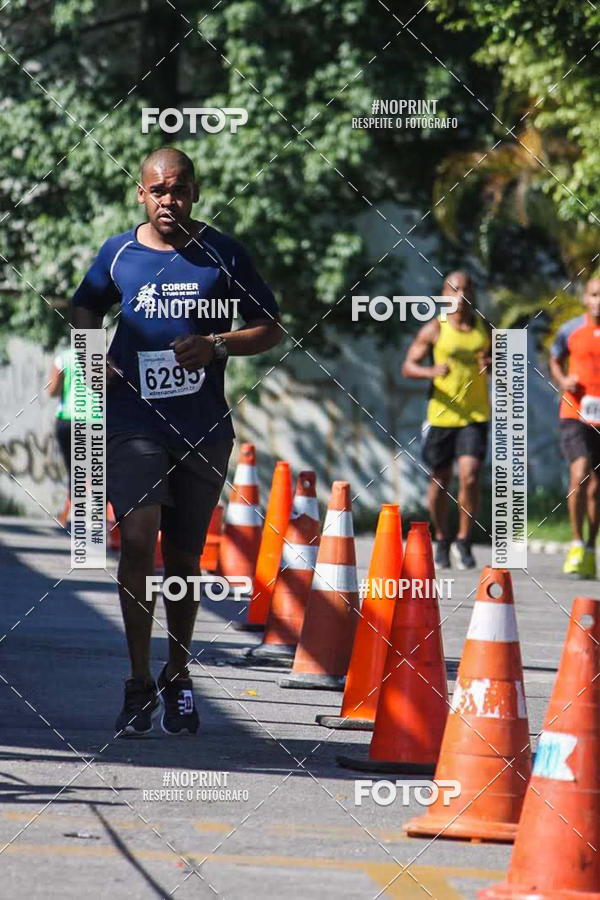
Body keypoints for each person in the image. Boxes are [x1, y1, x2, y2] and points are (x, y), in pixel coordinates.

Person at [72, 147, 282, 737]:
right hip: (133, 423)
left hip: (201, 427)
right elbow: (84, 307)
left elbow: (270, 326)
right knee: (139, 542)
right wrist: (94, 362)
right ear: (142, 195)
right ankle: (137, 682)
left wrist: (216, 345)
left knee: (185, 560)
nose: (170, 200)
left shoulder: (223, 254)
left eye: (180, 189)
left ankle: (177, 673)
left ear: (196, 192)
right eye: (158, 190)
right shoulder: (119, 253)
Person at [402, 271, 491, 569]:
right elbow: (408, 366)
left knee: (470, 475)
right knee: (440, 481)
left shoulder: (484, 329)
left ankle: (464, 541)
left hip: (475, 414)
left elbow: (502, 366)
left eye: (466, 290)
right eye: (454, 290)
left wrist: (493, 364)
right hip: (441, 415)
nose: (460, 296)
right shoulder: (435, 329)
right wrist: (431, 372)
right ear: (443, 295)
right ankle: (441, 538)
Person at [549, 277, 600, 578]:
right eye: (594, 295)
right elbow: (555, 358)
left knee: (597, 487)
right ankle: (577, 542)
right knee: (579, 471)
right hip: (575, 412)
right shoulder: (570, 330)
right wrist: (562, 380)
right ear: (585, 298)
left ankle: (592, 547)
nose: (599, 301)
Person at [47, 345, 73, 524]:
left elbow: (52, 391)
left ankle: (67, 515)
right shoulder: (103, 356)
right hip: (96, 420)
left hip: (68, 419)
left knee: (74, 469)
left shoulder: (64, 358)